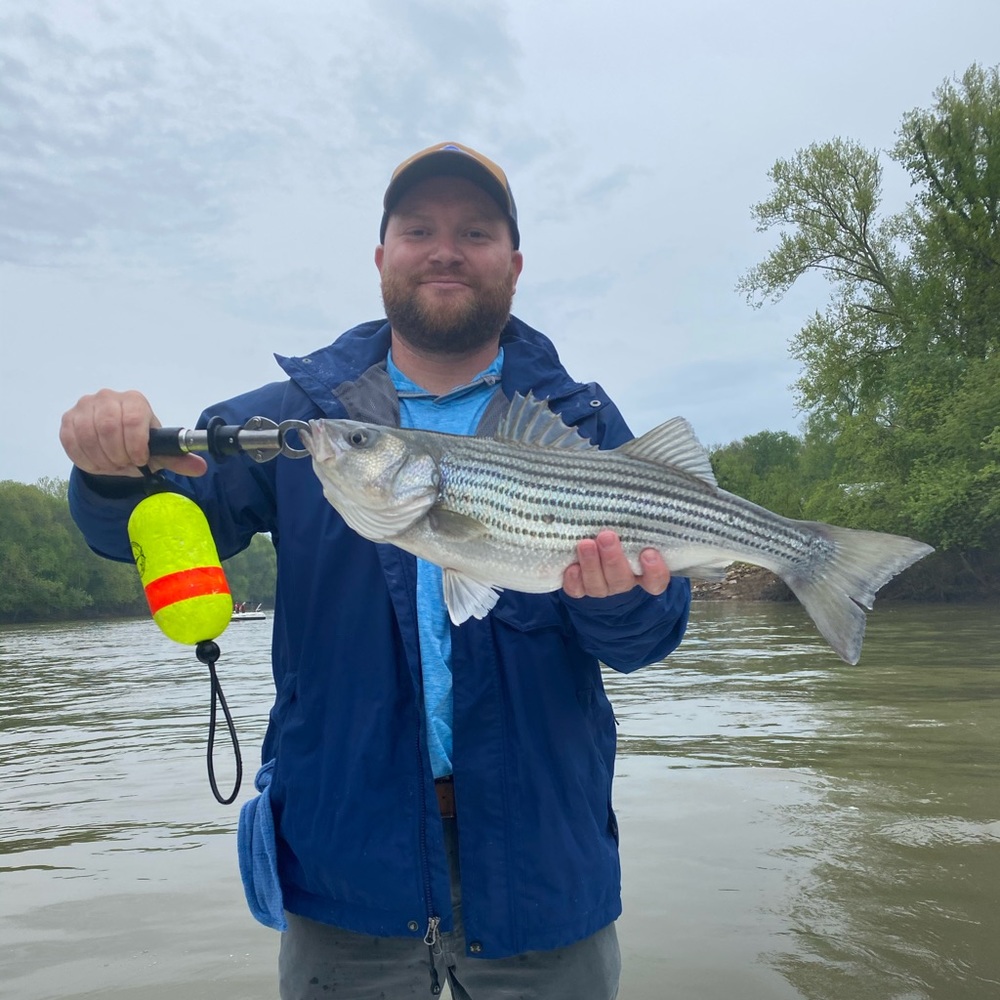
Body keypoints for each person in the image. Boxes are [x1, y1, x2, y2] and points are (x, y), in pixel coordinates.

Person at [60, 141, 691, 1000]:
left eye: (474, 231)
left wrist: (622, 606)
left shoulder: (577, 417)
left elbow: (651, 637)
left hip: (545, 866)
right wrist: (110, 470)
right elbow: (157, 522)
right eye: (418, 227)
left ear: (513, 263)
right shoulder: (299, 421)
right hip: (346, 865)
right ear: (381, 254)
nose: (444, 248)